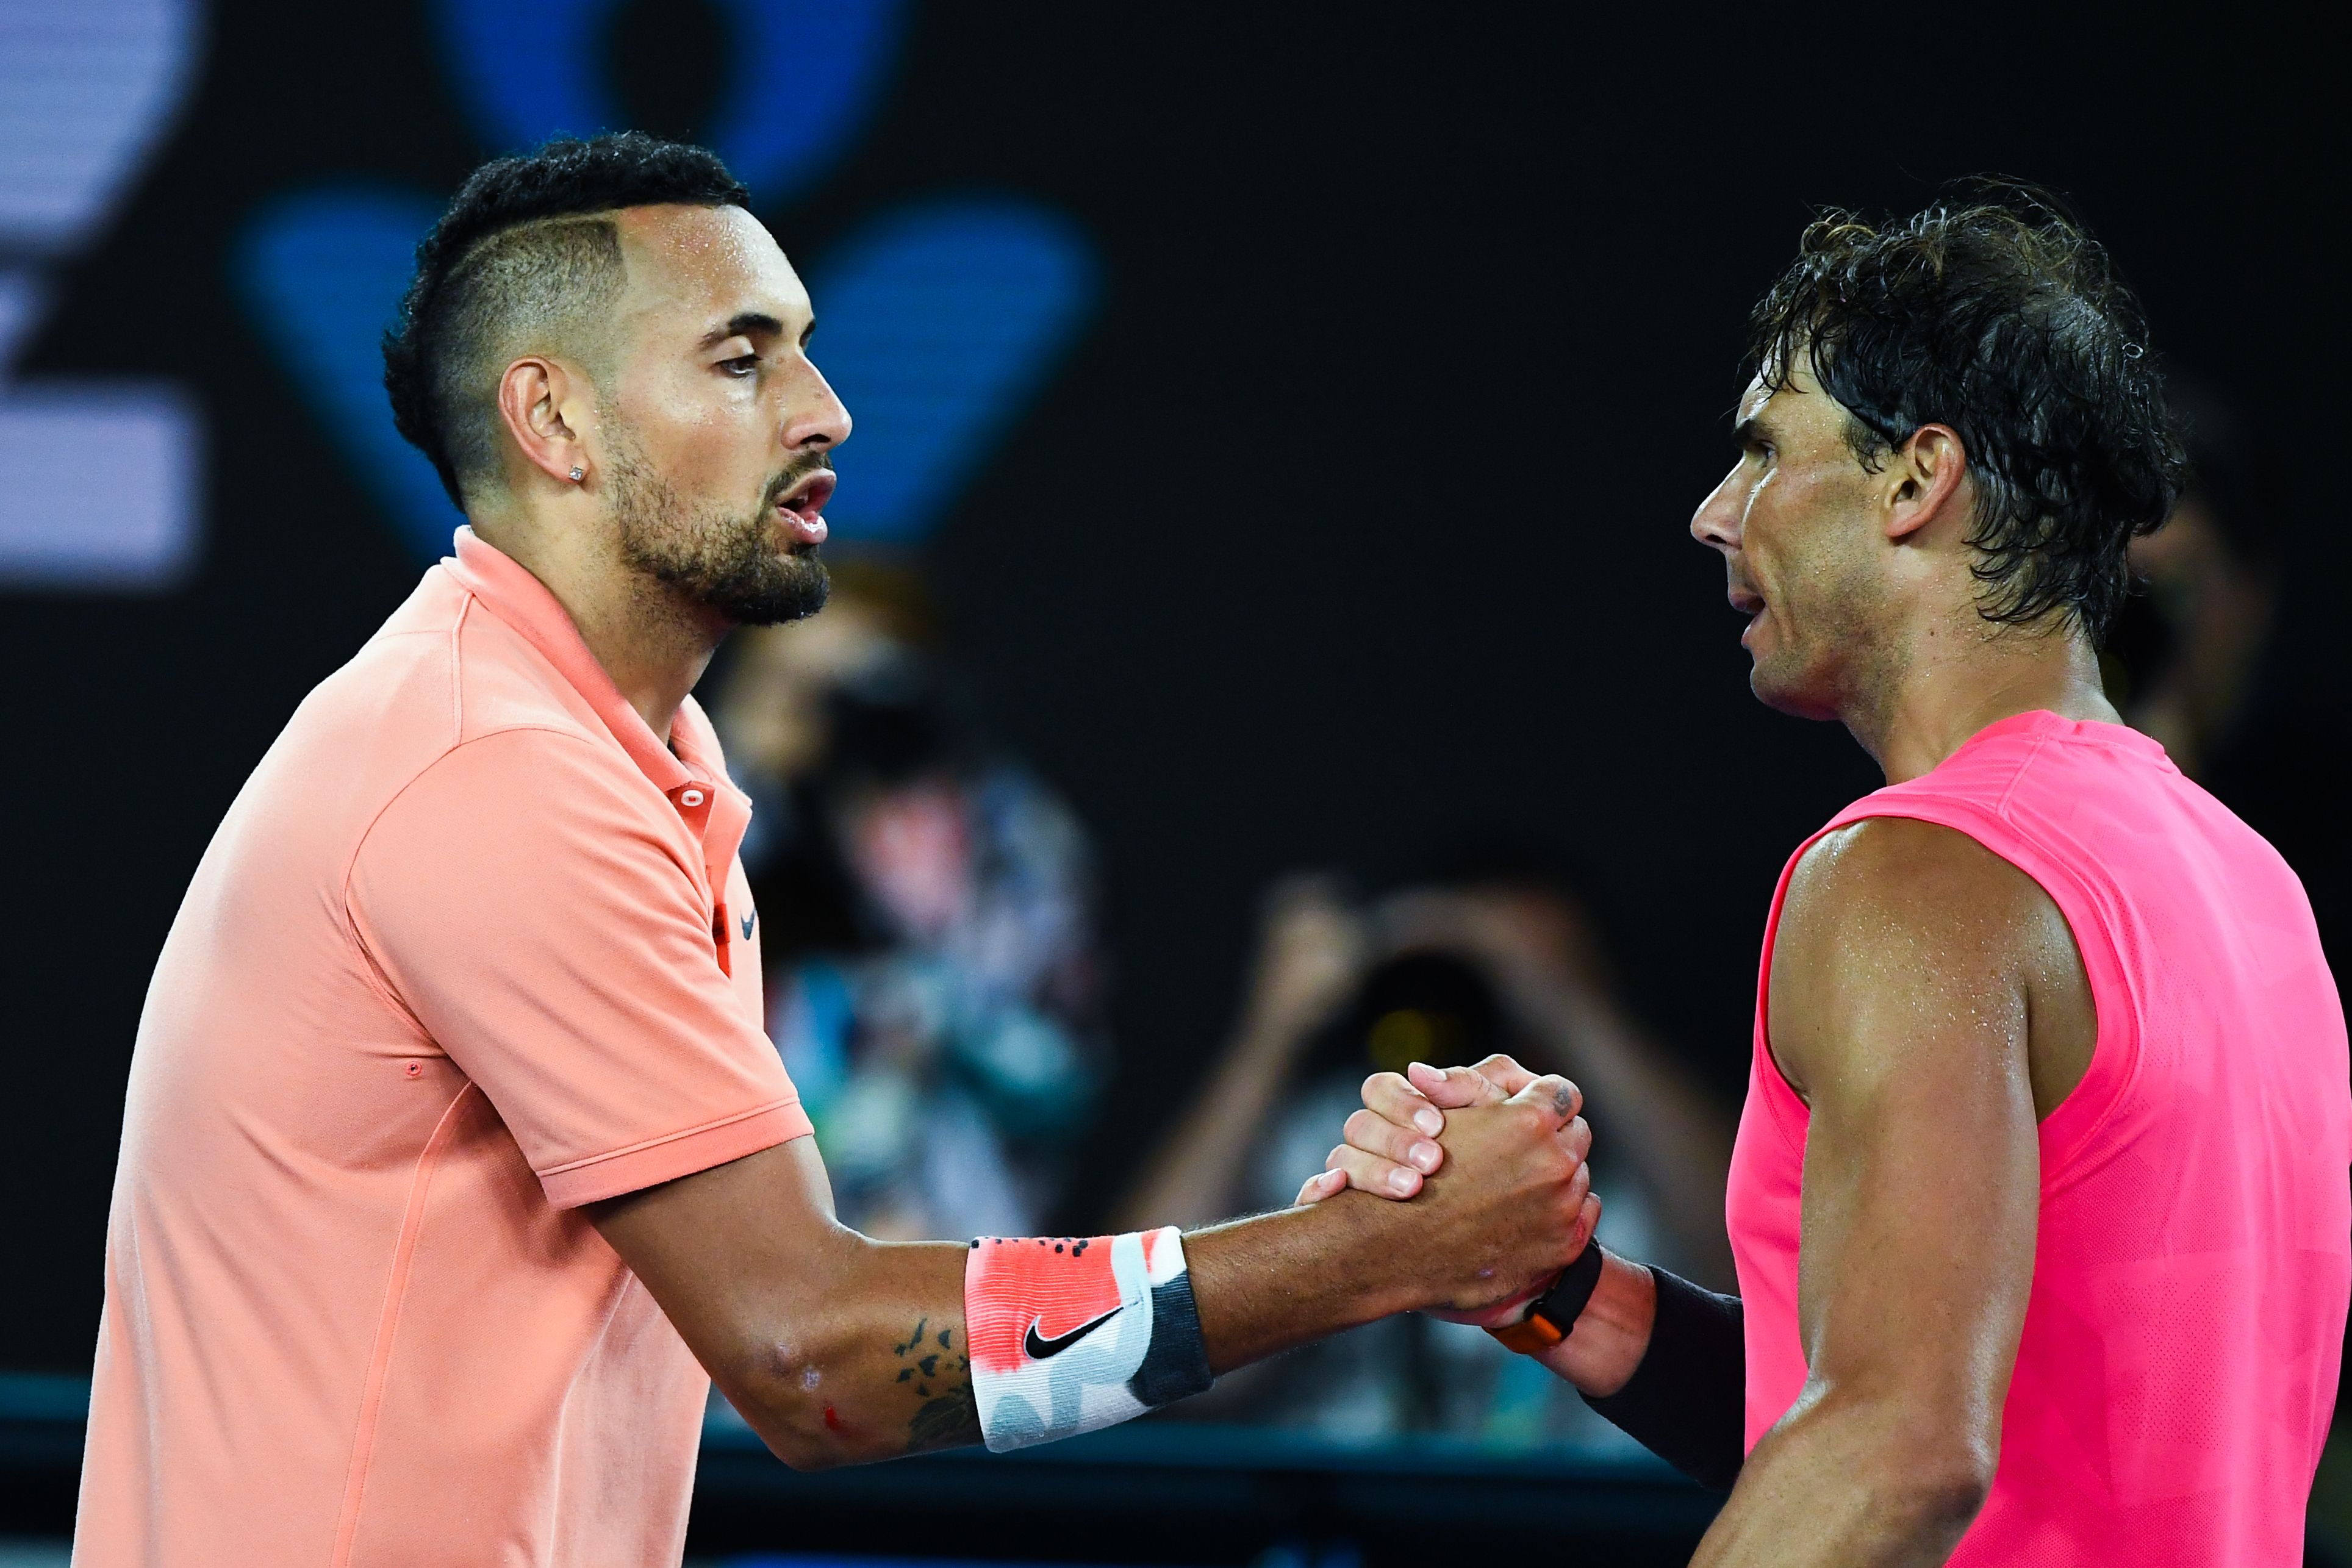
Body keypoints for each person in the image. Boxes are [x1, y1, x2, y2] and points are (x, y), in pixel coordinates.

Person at [70, 134, 1597, 1566]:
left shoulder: (623, 756)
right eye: (741, 358)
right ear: (554, 421)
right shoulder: (494, 775)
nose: (825, 410)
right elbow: (810, 1353)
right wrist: (1367, 1256)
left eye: (800, 346)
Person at [1310, 190, 2350, 1564]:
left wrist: (1862, 1437)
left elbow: (1897, 1452)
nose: (1712, 514)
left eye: (1761, 449)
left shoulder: (1916, 873)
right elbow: (1924, 1410)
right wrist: (1555, 1291)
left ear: (1915, 479)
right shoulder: (2251, 881)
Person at [1116, 856, 1732, 1447]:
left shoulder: (1619, 1148)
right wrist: (1270, 1034)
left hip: (1581, 1502)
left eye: (1525, 973)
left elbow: (1743, 1285)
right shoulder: (1342, 1125)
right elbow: (1141, 1328)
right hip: (1340, 1498)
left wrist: (1568, 1008)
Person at [713, 573, 1106, 1244]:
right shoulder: (704, 835)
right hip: (744, 1249)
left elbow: (1057, 1081)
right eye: (791, 695)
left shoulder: (1008, 841)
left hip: (964, 1255)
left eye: (854, 695)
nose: (825, 732)